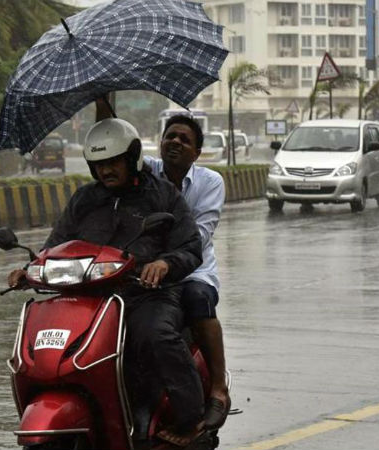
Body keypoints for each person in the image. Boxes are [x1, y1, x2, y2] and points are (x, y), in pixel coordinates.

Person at [7, 118, 207, 447]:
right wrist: (29, 270)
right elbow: (55, 246)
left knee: (156, 335)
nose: (106, 170)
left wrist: (163, 263)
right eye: (99, 164)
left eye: (113, 162)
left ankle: (191, 419)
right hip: (89, 298)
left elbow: (190, 247)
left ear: (131, 158)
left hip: (144, 294)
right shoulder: (85, 199)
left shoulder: (161, 195)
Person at [144, 115, 231, 436]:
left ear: (196, 153)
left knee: (197, 298)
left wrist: (167, 260)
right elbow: (115, 152)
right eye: (170, 136)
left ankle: (218, 387)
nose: (176, 142)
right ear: (160, 142)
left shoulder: (210, 182)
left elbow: (200, 236)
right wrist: (104, 105)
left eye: (185, 139)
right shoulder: (146, 172)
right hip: (146, 270)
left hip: (193, 269)